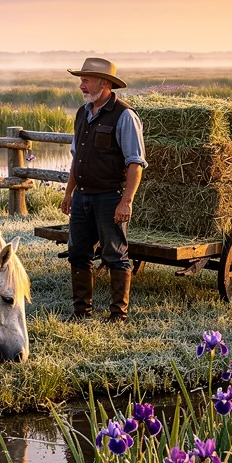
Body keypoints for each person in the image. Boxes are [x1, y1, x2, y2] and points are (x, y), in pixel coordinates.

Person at [60, 58, 147, 322]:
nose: (81, 85)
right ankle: (81, 313)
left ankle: (118, 315)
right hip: (83, 196)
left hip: (110, 197)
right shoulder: (82, 113)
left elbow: (135, 162)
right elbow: (78, 157)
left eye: (86, 80)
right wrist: (69, 192)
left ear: (105, 83)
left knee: (115, 255)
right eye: (81, 80)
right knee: (78, 253)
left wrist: (126, 201)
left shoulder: (125, 115)